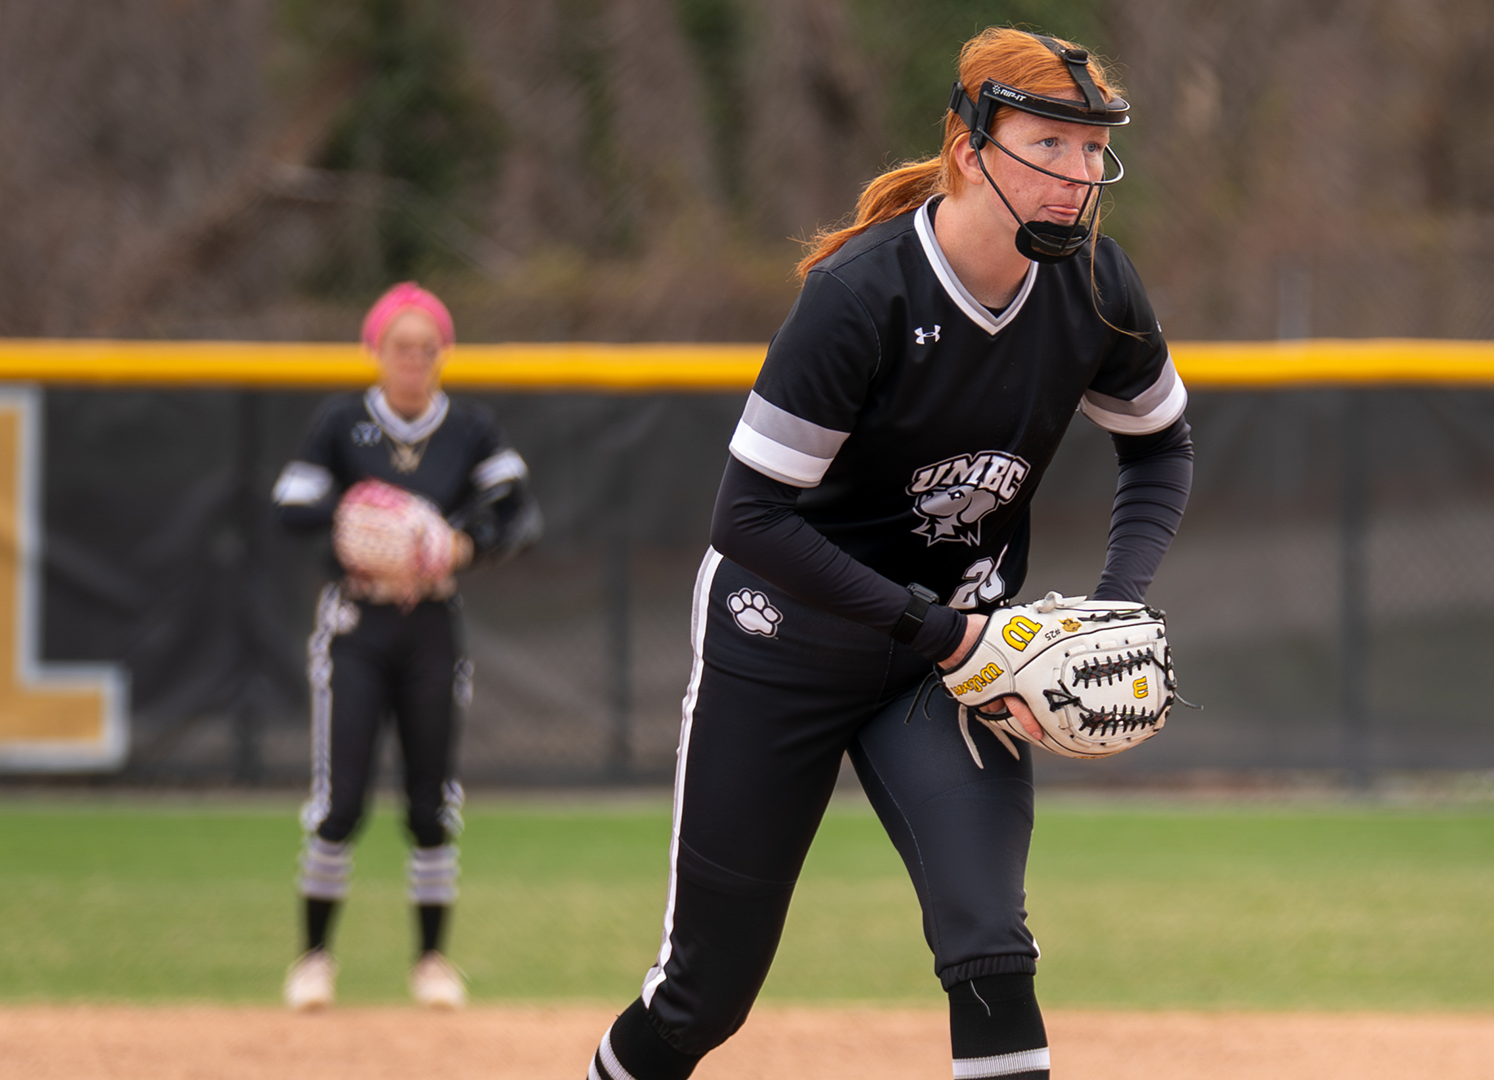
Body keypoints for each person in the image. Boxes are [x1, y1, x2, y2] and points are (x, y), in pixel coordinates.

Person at [587, 28, 1192, 1080]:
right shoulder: (863, 297)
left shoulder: (1095, 286)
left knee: (990, 947)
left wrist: (1113, 608)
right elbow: (750, 519)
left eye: (1094, 152)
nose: (1079, 177)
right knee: (702, 998)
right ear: (969, 148)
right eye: (1049, 144)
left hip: (947, 659)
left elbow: (1159, 447)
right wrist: (944, 628)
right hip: (787, 638)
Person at [271, 282, 541, 1009]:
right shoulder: (342, 424)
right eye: (401, 348)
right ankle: (315, 957)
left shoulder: (470, 428)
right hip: (357, 624)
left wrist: (463, 541)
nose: (414, 361)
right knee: (342, 802)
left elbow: (518, 512)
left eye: (428, 349)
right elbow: (291, 503)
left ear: (442, 356)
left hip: (429, 624)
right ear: (375, 352)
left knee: (430, 803)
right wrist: (356, 516)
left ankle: (430, 962)